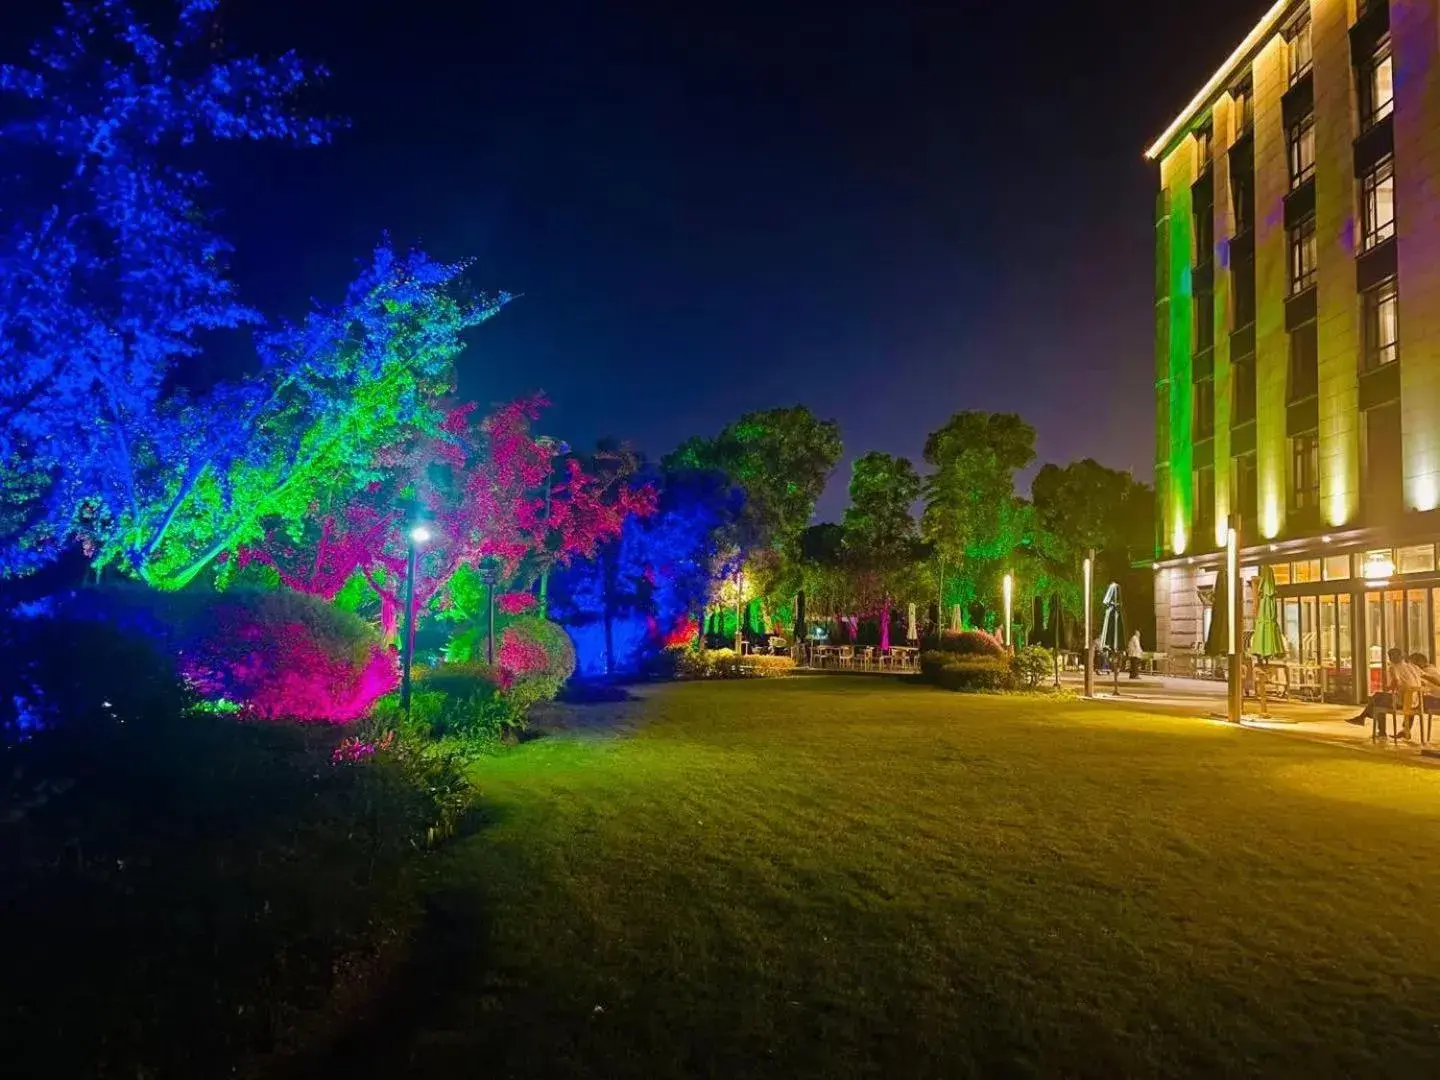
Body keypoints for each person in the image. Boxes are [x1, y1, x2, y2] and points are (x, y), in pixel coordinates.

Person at [1348, 648, 1422, 736]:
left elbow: (1396, 681)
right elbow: (1422, 678)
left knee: (1378, 700)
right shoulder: (1413, 667)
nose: (1391, 658)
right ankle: (1363, 717)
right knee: (1380, 698)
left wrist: (1388, 688)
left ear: (1400, 656)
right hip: (1416, 702)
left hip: (1402, 702)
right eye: (1390, 655)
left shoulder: (1394, 667)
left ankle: (1378, 729)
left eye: (1392, 655)